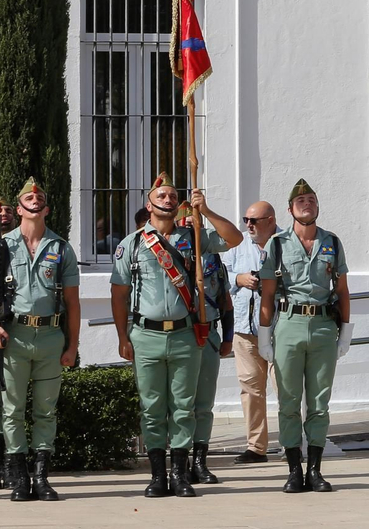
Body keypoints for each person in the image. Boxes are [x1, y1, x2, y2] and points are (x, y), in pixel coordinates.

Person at [112, 173, 241, 498]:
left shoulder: (194, 236)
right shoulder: (133, 243)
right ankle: (158, 476)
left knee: (184, 407)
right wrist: (123, 337)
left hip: (185, 334)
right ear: (149, 204)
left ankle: (180, 474)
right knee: (152, 407)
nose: (168, 199)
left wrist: (206, 210)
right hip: (146, 335)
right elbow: (119, 293)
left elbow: (234, 238)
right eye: (162, 195)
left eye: (172, 195)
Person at [0, 179, 80, 502]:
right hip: (15, 336)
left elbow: (73, 302)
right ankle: (20, 478)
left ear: (46, 209)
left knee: (46, 411)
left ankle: (41, 477)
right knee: (13, 410)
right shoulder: (2, 247)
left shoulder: (61, 248)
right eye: (28, 198)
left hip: (50, 336)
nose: (34, 200)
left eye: (40, 198)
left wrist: (73, 346)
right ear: (19, 209)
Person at [258, 179, 353, 493]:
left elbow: (342, 290)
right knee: (288, 401)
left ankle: (315, 470)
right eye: (300, 201)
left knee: (319, 403)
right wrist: (264, 336)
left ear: (318, 206)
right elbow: (267, 295)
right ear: (290, 210)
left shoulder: (332, 242)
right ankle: (293, 470)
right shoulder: (277, 244)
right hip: (289, 323)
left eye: (311, 199)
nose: (307, 204)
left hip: (323, 325)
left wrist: (345, 333)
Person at [224, 200, 276, 463]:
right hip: (245, 329)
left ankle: (294, 444)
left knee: (287, 389)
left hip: (278, 330)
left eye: (253, 221)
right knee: (251, 389)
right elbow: (219, 273)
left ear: (270, 221)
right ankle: (256, 447)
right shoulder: (238, 243)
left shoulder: (285, 242)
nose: (248, 225)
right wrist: (238, 278)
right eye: (246, 220)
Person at [185, 228, 234, 484]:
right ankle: (180, 462)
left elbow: (225, 301)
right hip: (182, 335)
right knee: (181, 405)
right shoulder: (170, 256)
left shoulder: (214, 260)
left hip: (208, 336)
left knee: (204, 405)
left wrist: (227, 337)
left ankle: (200, 462)